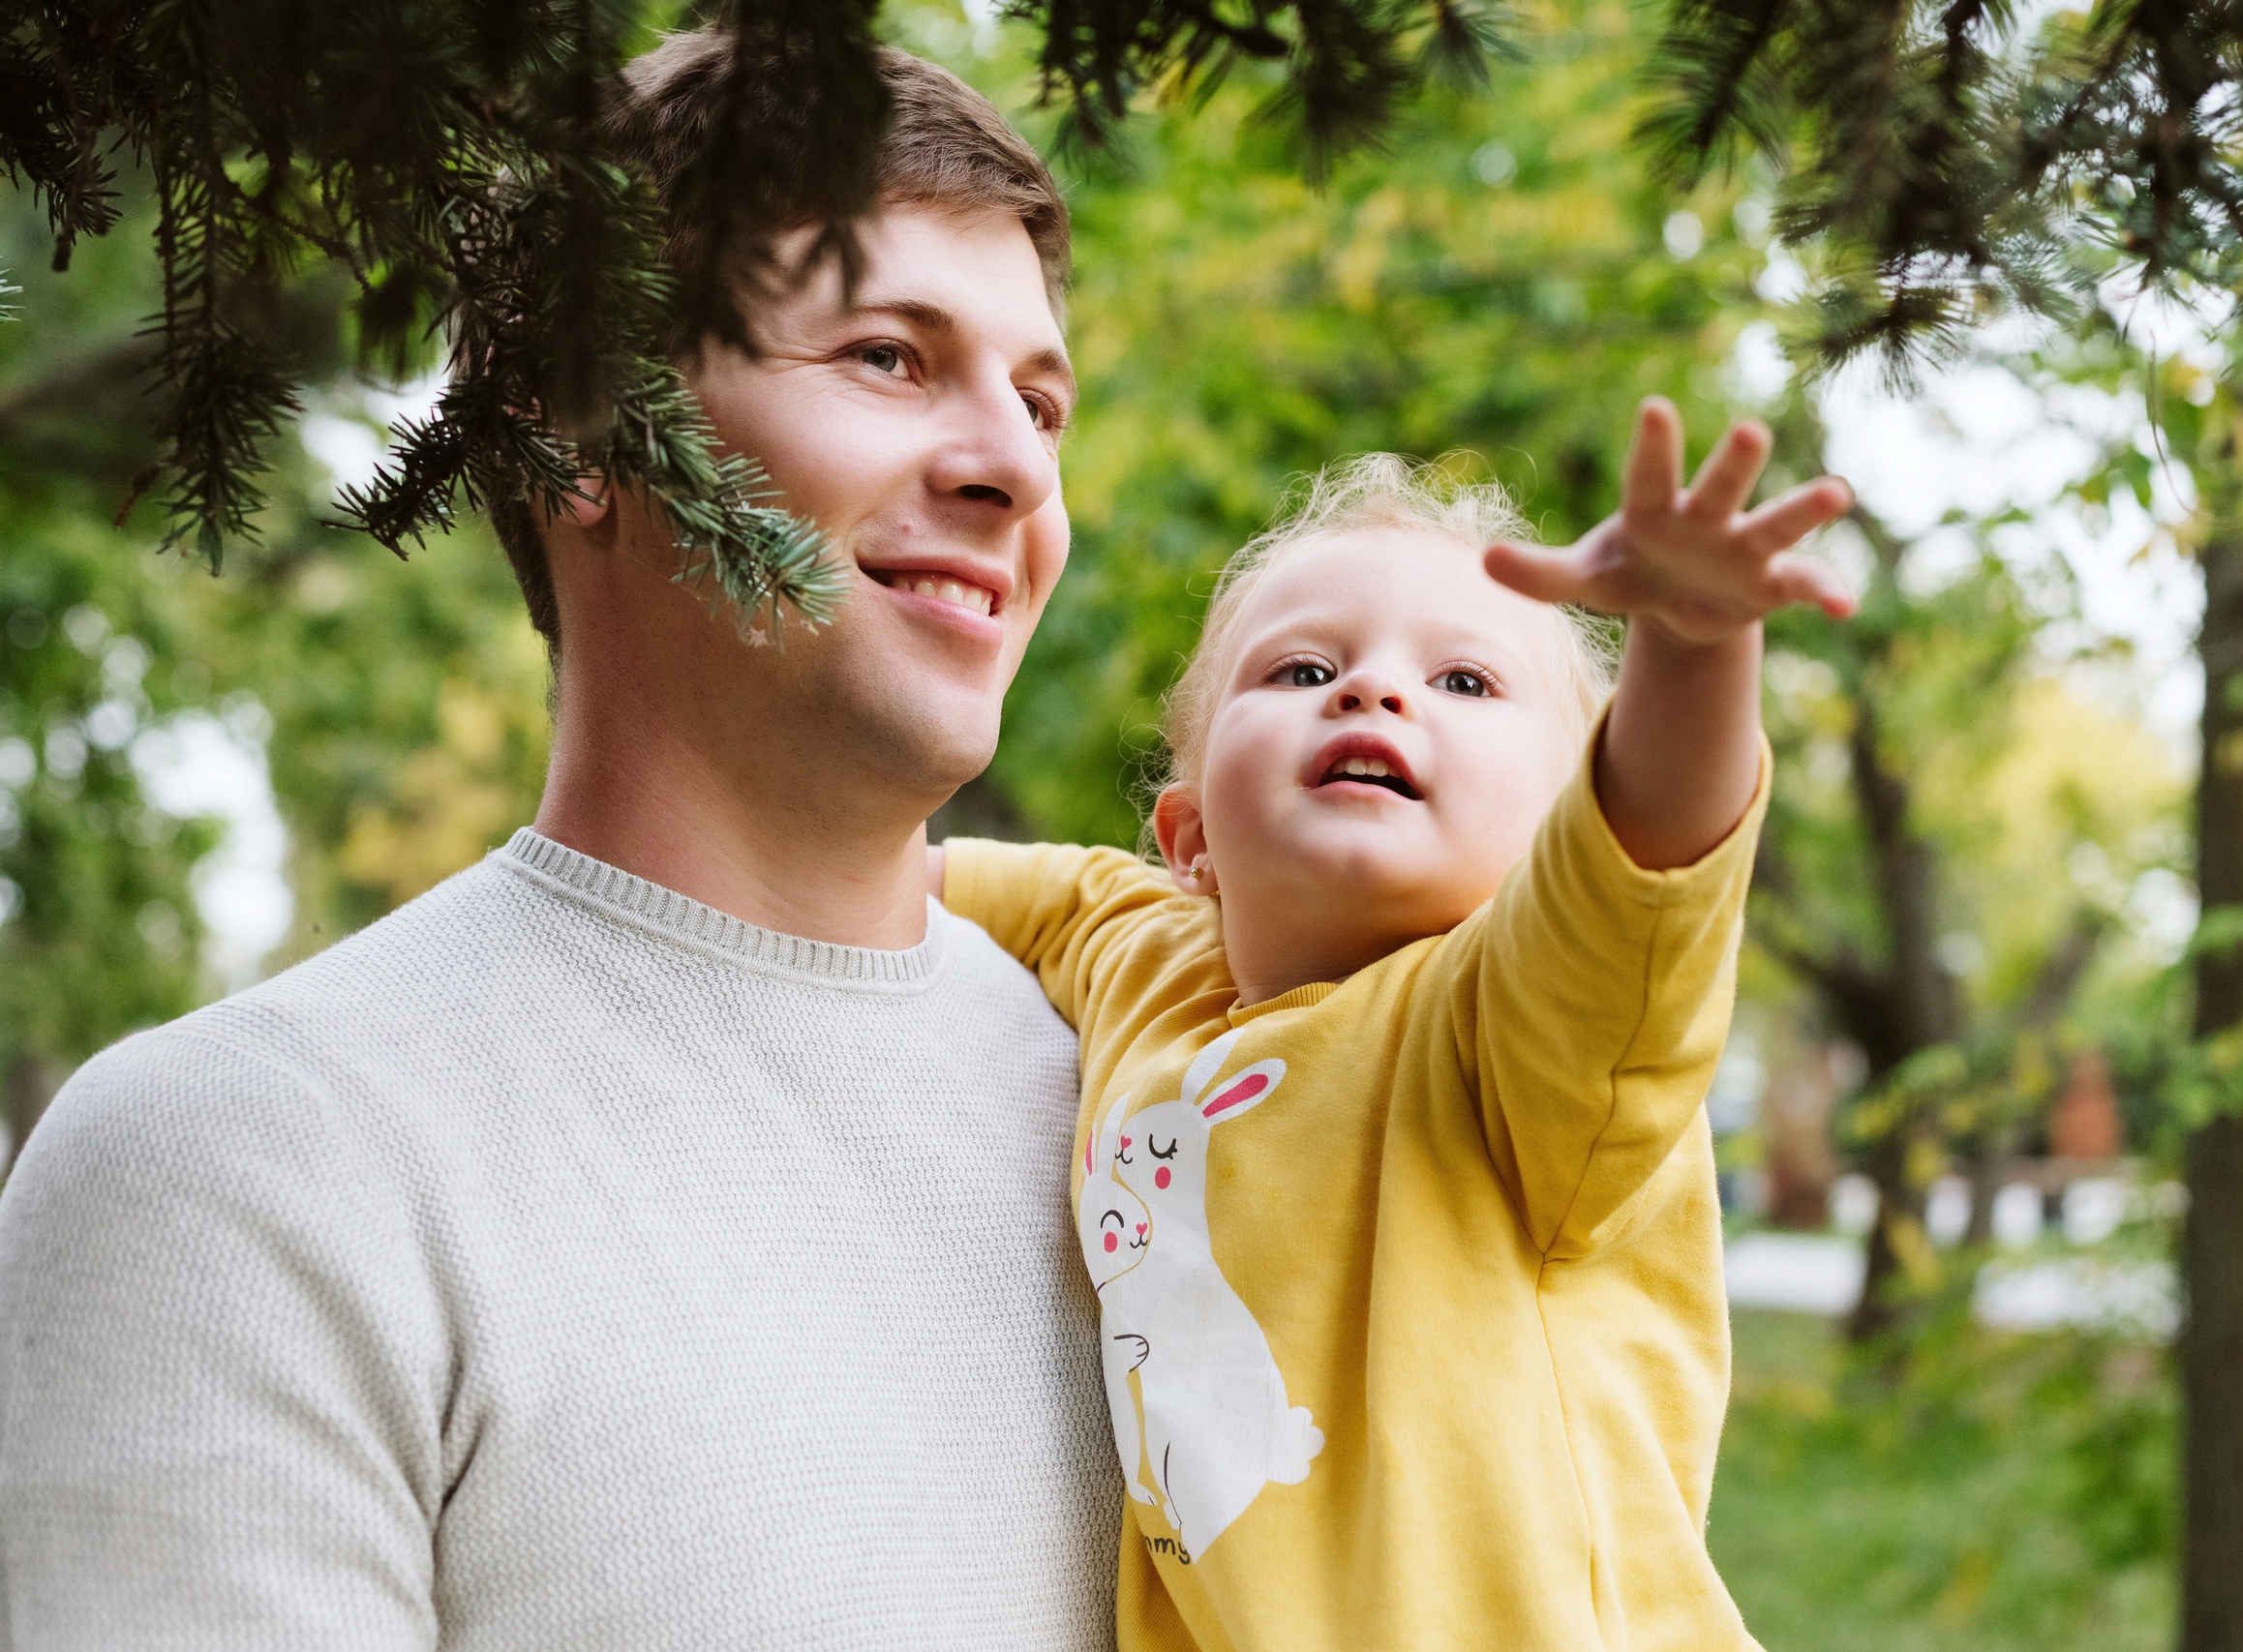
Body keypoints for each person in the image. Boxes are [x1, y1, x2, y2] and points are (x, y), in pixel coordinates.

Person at [0, 33, 1121, 1650]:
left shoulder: (1167, 1107)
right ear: (583, 434)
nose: (1015, 466)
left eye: (1042, 399)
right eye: (888, 356)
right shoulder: (237, 1167)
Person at [928, 417, 1855, 1650]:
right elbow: (896, 875)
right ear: (1189, 834)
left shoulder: (1525, 1031)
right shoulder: (1142, 956)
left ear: (1556, 834)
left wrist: (1690, 648)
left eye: (1464, 682)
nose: (1372, 689)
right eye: (1300, 672)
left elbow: (1651, 846)